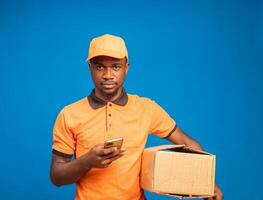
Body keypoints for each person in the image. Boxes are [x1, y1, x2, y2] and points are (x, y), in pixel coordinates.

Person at [50, 34, 223, 200]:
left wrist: (207, 183)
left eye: (116, 66)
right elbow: (56, 176)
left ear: (127, 68)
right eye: (99, 66)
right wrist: (86, 161)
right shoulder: (69, 114)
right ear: (90, 68)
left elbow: (186, 141)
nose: (108, 75)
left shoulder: (146, 108)